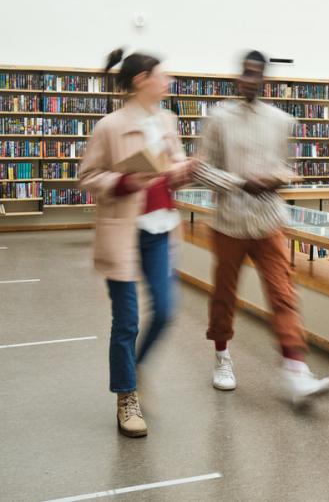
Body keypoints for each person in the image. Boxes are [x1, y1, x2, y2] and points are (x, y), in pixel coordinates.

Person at [193, 50, 329, 404]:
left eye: (256, 74)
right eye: (245, 73)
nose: (249, 79)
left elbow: (286, 167)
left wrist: (277, 179)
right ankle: (222, 356)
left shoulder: (280, 120)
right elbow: (201, 169)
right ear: (238, 77)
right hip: (230, 223)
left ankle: (295, 369)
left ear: (265, 79)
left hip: (269, 220)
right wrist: (240, 182)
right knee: (224, 293)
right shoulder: (219, 119)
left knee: (283, 293)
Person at [79, 49, 195, 438]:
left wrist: (184, 172)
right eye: (162, 75)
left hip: (160, 229)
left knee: (165, 311)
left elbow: (172, 164)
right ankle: (126, 396)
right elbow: (88, 176)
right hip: (123, 234)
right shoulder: (109, 127)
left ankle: (137, 368)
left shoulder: (168, 120)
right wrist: (125, 181)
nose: (168, 82)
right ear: (142, 79)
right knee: (126, 321)